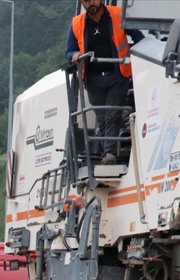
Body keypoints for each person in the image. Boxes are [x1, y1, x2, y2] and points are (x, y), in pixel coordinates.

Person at [65, 0, 144, 165]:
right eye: (86, 1)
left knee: (112, 115)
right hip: (92, 79)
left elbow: (139, 37)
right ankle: (107, 153)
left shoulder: (117, 15)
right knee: (102, 117)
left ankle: (109, 154)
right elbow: (69, 50)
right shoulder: (77, 23)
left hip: (118, 75)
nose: (91, 3)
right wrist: (74, 55)